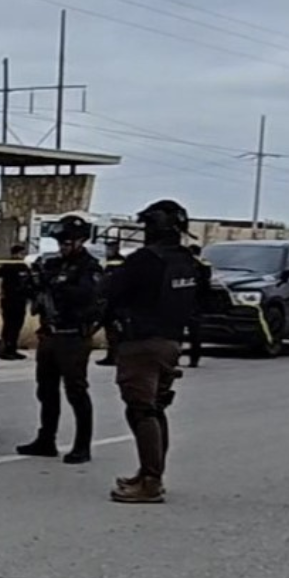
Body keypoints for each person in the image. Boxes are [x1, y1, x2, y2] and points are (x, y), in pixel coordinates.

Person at [105, 199, 198, 504]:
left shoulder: (145, 260)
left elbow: (109, 290)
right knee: (156, 408)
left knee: (142, 410)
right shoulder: (187, 260)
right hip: (171, 342)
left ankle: (150, 481)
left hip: (141, 342)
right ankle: (150, 473)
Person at [16, 215, 103, 465]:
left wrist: (57, 286)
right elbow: (34, 292)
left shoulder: (90, 267)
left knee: (76, 391)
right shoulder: (52, 265)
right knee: (46, 390)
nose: (63, 246)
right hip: (50, 334)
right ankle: (46, 439)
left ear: (81, 241)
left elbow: (88, 296)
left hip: (74, 336)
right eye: (60, 242)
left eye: (68, 241)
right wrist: (32, 283)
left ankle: (82, 445)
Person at [0, 244, 31, 361]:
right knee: (9, 326)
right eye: (21, 253)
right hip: (9, 300)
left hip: (20, 300)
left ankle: (12, 349)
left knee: (17, 326)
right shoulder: (9, 265)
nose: (22, 256)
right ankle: (6, 350)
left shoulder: (23, 267)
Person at [97, 241, 125, 367]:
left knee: (113, 331)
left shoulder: (116, 263)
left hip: (113, 302)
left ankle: (114, 356)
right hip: (114, 301)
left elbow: (108, 282)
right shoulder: (115, 262)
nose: (108, 250)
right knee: (111, 331)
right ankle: (113, 355)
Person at [185, 244, 211, 368]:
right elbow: (207, 284)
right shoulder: (203, 264)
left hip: (187, 302)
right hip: (196, 303)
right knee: (194, 334)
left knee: (178, 333)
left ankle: (176, 358)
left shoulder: (186, 264)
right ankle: (194, 359)